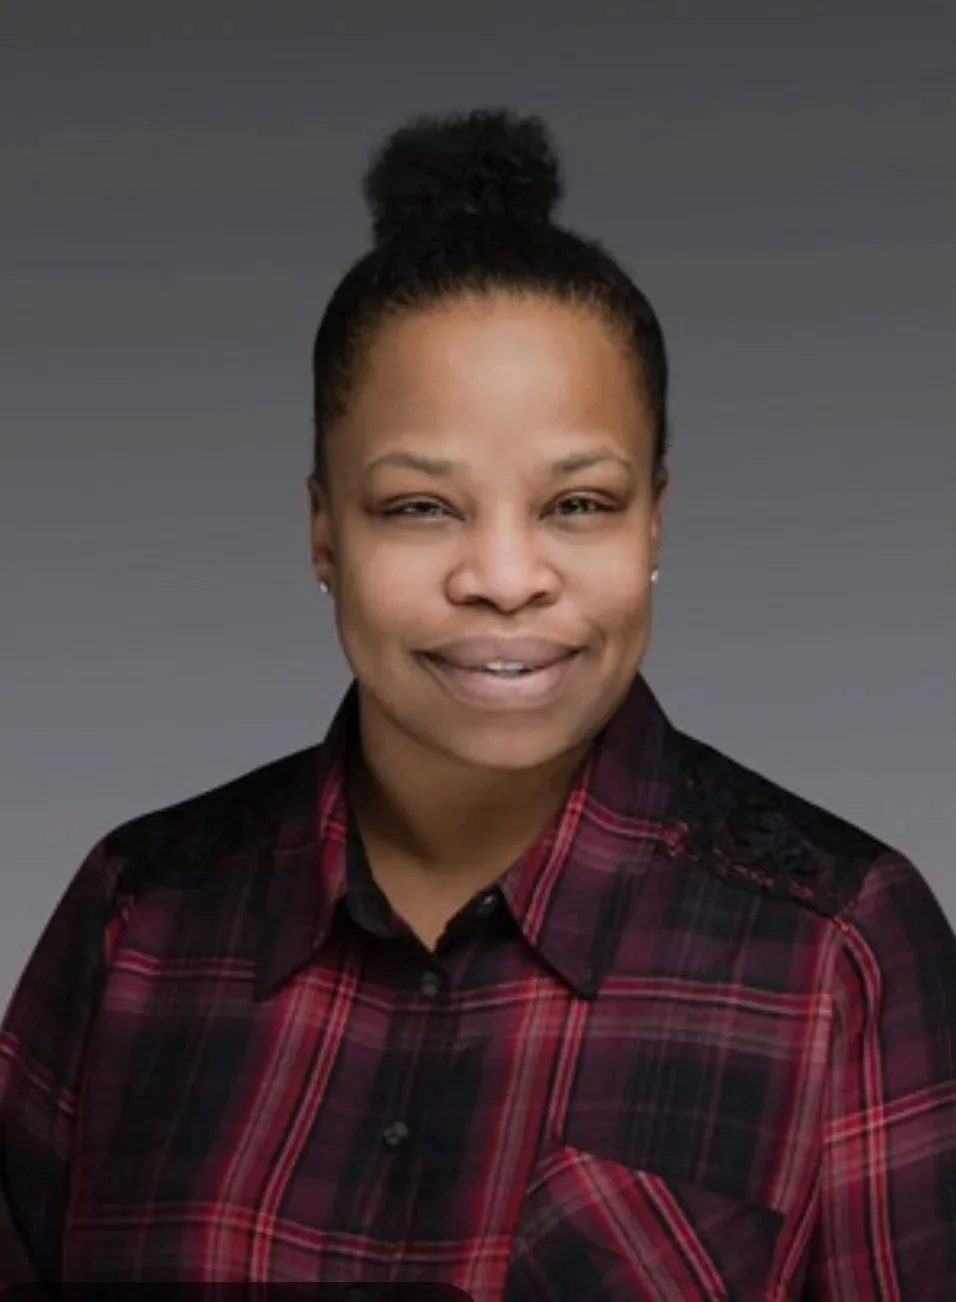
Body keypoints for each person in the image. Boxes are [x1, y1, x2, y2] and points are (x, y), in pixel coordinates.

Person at [0, 108, 953, 1301]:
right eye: (419, 508)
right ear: (322, 533)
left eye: (576, 505)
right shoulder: (136, 917)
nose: (503, 578)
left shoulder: (837, 949)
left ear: (654, 524)